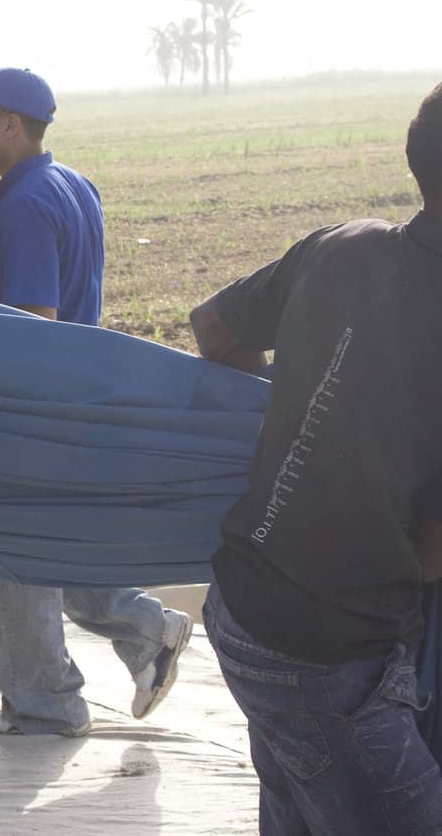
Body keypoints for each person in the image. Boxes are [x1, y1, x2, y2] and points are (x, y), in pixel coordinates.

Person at [188, 82, 442, 835]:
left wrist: (312, 403)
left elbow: (213, 328)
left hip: (240, 611)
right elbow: (430, 555)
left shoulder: (343, 243)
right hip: (332, 661)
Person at [0, 67, 191, 737]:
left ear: (11, 126)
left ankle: (48, 702)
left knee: (7, 557)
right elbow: (51, 293)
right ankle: (147, 630)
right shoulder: (71, 183)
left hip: (32, 411)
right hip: (78, 400)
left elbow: (34, 317)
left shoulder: (21, 204)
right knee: (58, 547)